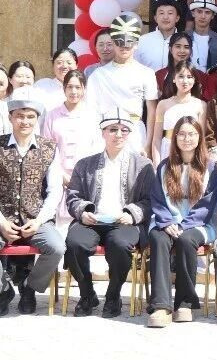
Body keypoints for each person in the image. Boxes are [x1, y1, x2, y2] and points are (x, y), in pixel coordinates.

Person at [0, 91, 65, 317]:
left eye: (30, 117)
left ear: (37, 119)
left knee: (56, 247)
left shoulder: (49, 148)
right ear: (11, 118)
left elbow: (55, 191)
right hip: (1, 219)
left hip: (36, 219)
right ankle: (2, 291)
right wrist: (0, 222)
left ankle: (29, 288)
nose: (25, 121)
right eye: (20, 116)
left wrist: (39, 220)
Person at [63, 109, 154, 318]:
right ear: (103, 132)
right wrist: (83, 212)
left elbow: (150, 200)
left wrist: (132, 214)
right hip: (91, 221)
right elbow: (73, 196)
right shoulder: (85, 164)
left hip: (125, 222)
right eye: (113, 129)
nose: (118, 134)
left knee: (120, 244)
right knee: (75, 243)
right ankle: (87, 295)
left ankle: (113, 296)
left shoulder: (143, 165)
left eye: (124, 130)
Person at [146, 116, 217, 328]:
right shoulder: (164, 167)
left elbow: (207, 205)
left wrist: (182, 225)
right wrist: (166, 221)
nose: (187, 139)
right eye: (182, 134)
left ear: (199, 137)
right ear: (175, 137)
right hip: (167, 220)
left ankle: (184, 302)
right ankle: (161, 305)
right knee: (158, 238)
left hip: (199, 224)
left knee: (186, 240)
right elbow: (157, 199)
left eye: (192, 134)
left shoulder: (210, 168)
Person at [85, 14, 159, 154]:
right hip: (105, 132)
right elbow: (91, 111)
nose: (124, 46)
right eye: (119, 42)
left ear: (136, 44)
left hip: (135, 133)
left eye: (129, 42)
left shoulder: (147, 73)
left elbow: (152, 111)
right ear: (113, 43)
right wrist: (93, 140)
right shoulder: (98, 75)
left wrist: (148, 144)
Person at [40, 70, 103, 194]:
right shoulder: (52, 115)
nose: (74, 91)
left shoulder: (93, 115)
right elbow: (46, 149)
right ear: (64, 88)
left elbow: (98, 147)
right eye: (69, 87)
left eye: (78, 87)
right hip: (58, 179)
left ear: (84, 89)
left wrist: (86, 174)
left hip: (86, 177)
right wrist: (60, 174)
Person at [151, 62, 207, 164]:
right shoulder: (163, 105)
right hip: (167, 151)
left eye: (189, 77)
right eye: (181, 76)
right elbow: (157, 139)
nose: (185, 81)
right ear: (174, 78)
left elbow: (201, 137)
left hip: (191, 153)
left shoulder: (201, 105)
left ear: (194, 80)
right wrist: (157, 164)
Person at [135, 0, 185, 72]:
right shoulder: (142, 41)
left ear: (177, 18)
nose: (165, 17)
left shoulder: (185, 42)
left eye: (170, 13)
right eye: (161, 13)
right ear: (155, 18)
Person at [188, 0, 217, 71]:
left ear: (212, 16)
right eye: (199, 11)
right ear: (193, 13)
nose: (203, 16)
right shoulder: (183, 37)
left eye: (207, 12)